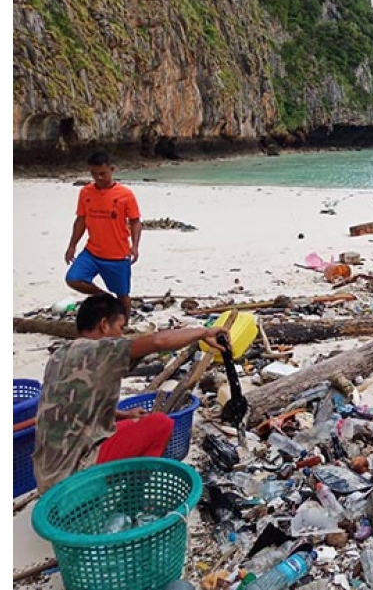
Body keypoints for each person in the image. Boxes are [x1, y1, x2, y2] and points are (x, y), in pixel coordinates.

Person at [32, 293, 229, 495]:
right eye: (120, 328)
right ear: (104, 325)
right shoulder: (100, 350)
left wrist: (123, 415)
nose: (121, 335)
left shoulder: (59, 355)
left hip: (47, 474)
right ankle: (134, 497)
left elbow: (75, 406)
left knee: (134, 424)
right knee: (160, 424)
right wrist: (203, 332)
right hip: (72, 475)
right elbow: (158, 341)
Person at [65, 150, 142, 324]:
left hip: (117, 256)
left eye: (102, 173)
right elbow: (81, 220)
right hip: (92, 252)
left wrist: (135, 246)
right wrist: (72, 246)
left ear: (112, 169)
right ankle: (105, 297)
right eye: (94, 174)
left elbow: (136, 222)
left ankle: (124, 325)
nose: (98, 178)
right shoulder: (86, 192)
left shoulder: (125, 194)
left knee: (123, 295)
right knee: (73, 279)